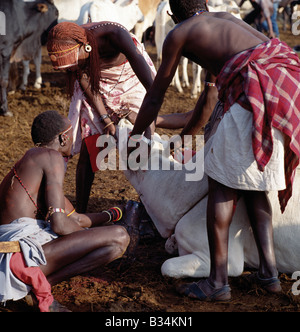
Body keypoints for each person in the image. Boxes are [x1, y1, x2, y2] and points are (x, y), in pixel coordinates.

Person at [128, 0, 300, 301]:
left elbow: (155, 95)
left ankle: (217, 281)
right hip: (282, 91)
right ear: (206, 4)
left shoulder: (179, 33)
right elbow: (209, 99)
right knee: (254, 187)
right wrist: (184, 135)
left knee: (221, 186)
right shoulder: (225, 19)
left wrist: (136, 134)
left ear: (171, 15)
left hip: (254, 95)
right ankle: (269, 274)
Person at [0, 110, 136, 311]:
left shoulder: (33, 163)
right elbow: (60, 224)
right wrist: (91, 237)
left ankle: (36, 288)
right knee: (119, 237)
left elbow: (77, 219)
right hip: (16, 260)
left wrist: (113, 214)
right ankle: (37, 289)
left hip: (10, 257)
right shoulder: (51, 157)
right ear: (64, 137)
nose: (76, 138)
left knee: (112, 246)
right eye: (74, 133)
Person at [47, 21, 157, 213]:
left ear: (85, 47)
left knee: (142, 147)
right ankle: (80, 212)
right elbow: (83, 78)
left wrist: (146, 125)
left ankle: (150, 208)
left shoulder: (115, 35)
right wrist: (105, 119)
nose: (74, 66)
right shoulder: (69, 45)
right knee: (90, 148)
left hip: (131, 77)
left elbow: (151, 88)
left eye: (76, 60)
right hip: (96, 81)